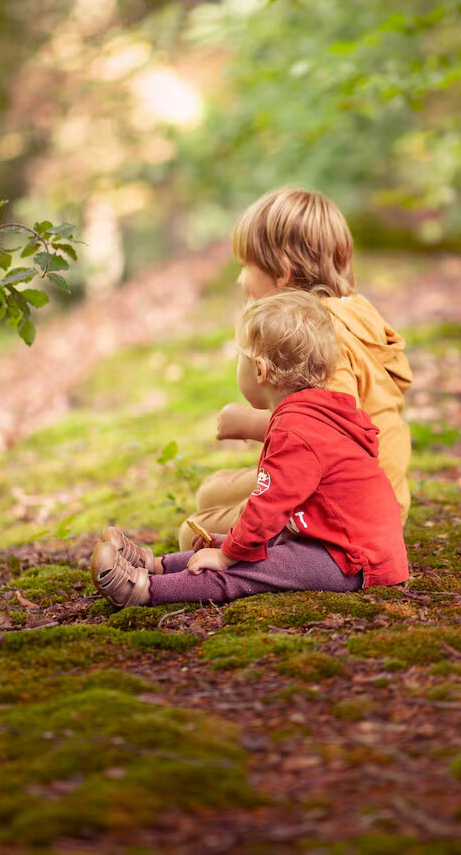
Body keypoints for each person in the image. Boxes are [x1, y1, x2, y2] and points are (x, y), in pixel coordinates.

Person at [90, 290, 408, 608]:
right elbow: (281, 516)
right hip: (343, 541)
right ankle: (156, 565)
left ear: (259, 370)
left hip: (351, 558)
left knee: (247, 572)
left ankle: (143, 590)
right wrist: (230, 543)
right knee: (253, 549)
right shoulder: (316, 412)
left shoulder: (295, 430)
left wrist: (228, 554)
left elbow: (267, 507)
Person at [179, 187, 413, 549]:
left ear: (283, 273)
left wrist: (250, 424)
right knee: (210, 491)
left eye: (245, 266)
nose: (240, 281)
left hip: (348, 508)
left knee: (191, 531)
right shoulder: (350, 313)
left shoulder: (324, 341)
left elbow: (332, 435)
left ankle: (277, 548)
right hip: (365, 488)